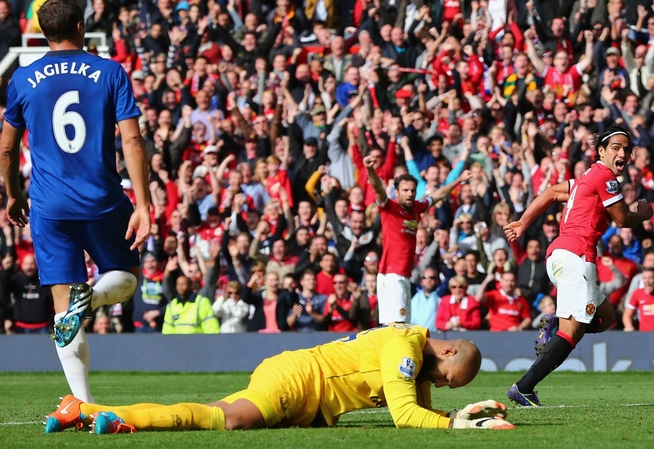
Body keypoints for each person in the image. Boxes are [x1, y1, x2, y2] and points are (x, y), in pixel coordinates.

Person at [0, 0, 150, 408]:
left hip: (49, 206)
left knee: (64, 311)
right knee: (127, 277)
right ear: (82, 26)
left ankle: (83, 404)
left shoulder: (23, 78)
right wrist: (143, 203)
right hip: (102, 198)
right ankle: (96, 297)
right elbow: (132, 140)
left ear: (42, 31)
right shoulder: (109, 71)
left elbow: (8, 148)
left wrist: (14, 195)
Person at [46, 324, 516, 433]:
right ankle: (101, 415)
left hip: (297, 377)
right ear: (448, 351)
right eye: (449, 379)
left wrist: (458, 414)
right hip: (298, 381)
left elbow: (421, 407)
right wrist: (454, 425)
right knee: (227, 421)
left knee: (217, 413)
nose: (442, 385)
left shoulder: (414, 351)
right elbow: (406, 416)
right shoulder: (404, 351)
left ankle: (86, 411)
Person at [502, 125, 653, 406]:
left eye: (626, 149)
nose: (622, 153)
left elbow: (548, 193)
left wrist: (524, 222)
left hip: (560, 254)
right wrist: (641, 214)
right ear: (601, 152)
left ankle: (553, 331)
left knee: (605, 317)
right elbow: (621, 219)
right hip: (577, 257)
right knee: (572, 331)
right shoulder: (605, 177)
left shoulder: (584, 178)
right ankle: (523, 387)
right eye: (616, 148)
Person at [364, 155, 470, 324]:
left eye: (413, 190)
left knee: (404, 324)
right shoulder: (389, 207)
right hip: (391, 276)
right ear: (396, 192)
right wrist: (370, 169)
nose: (410, 194)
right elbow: (378, 188)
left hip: (405, 275)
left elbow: (439, 195)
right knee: (396, 325)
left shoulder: (416, 207)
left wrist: (460, 179)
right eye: (405, 190)